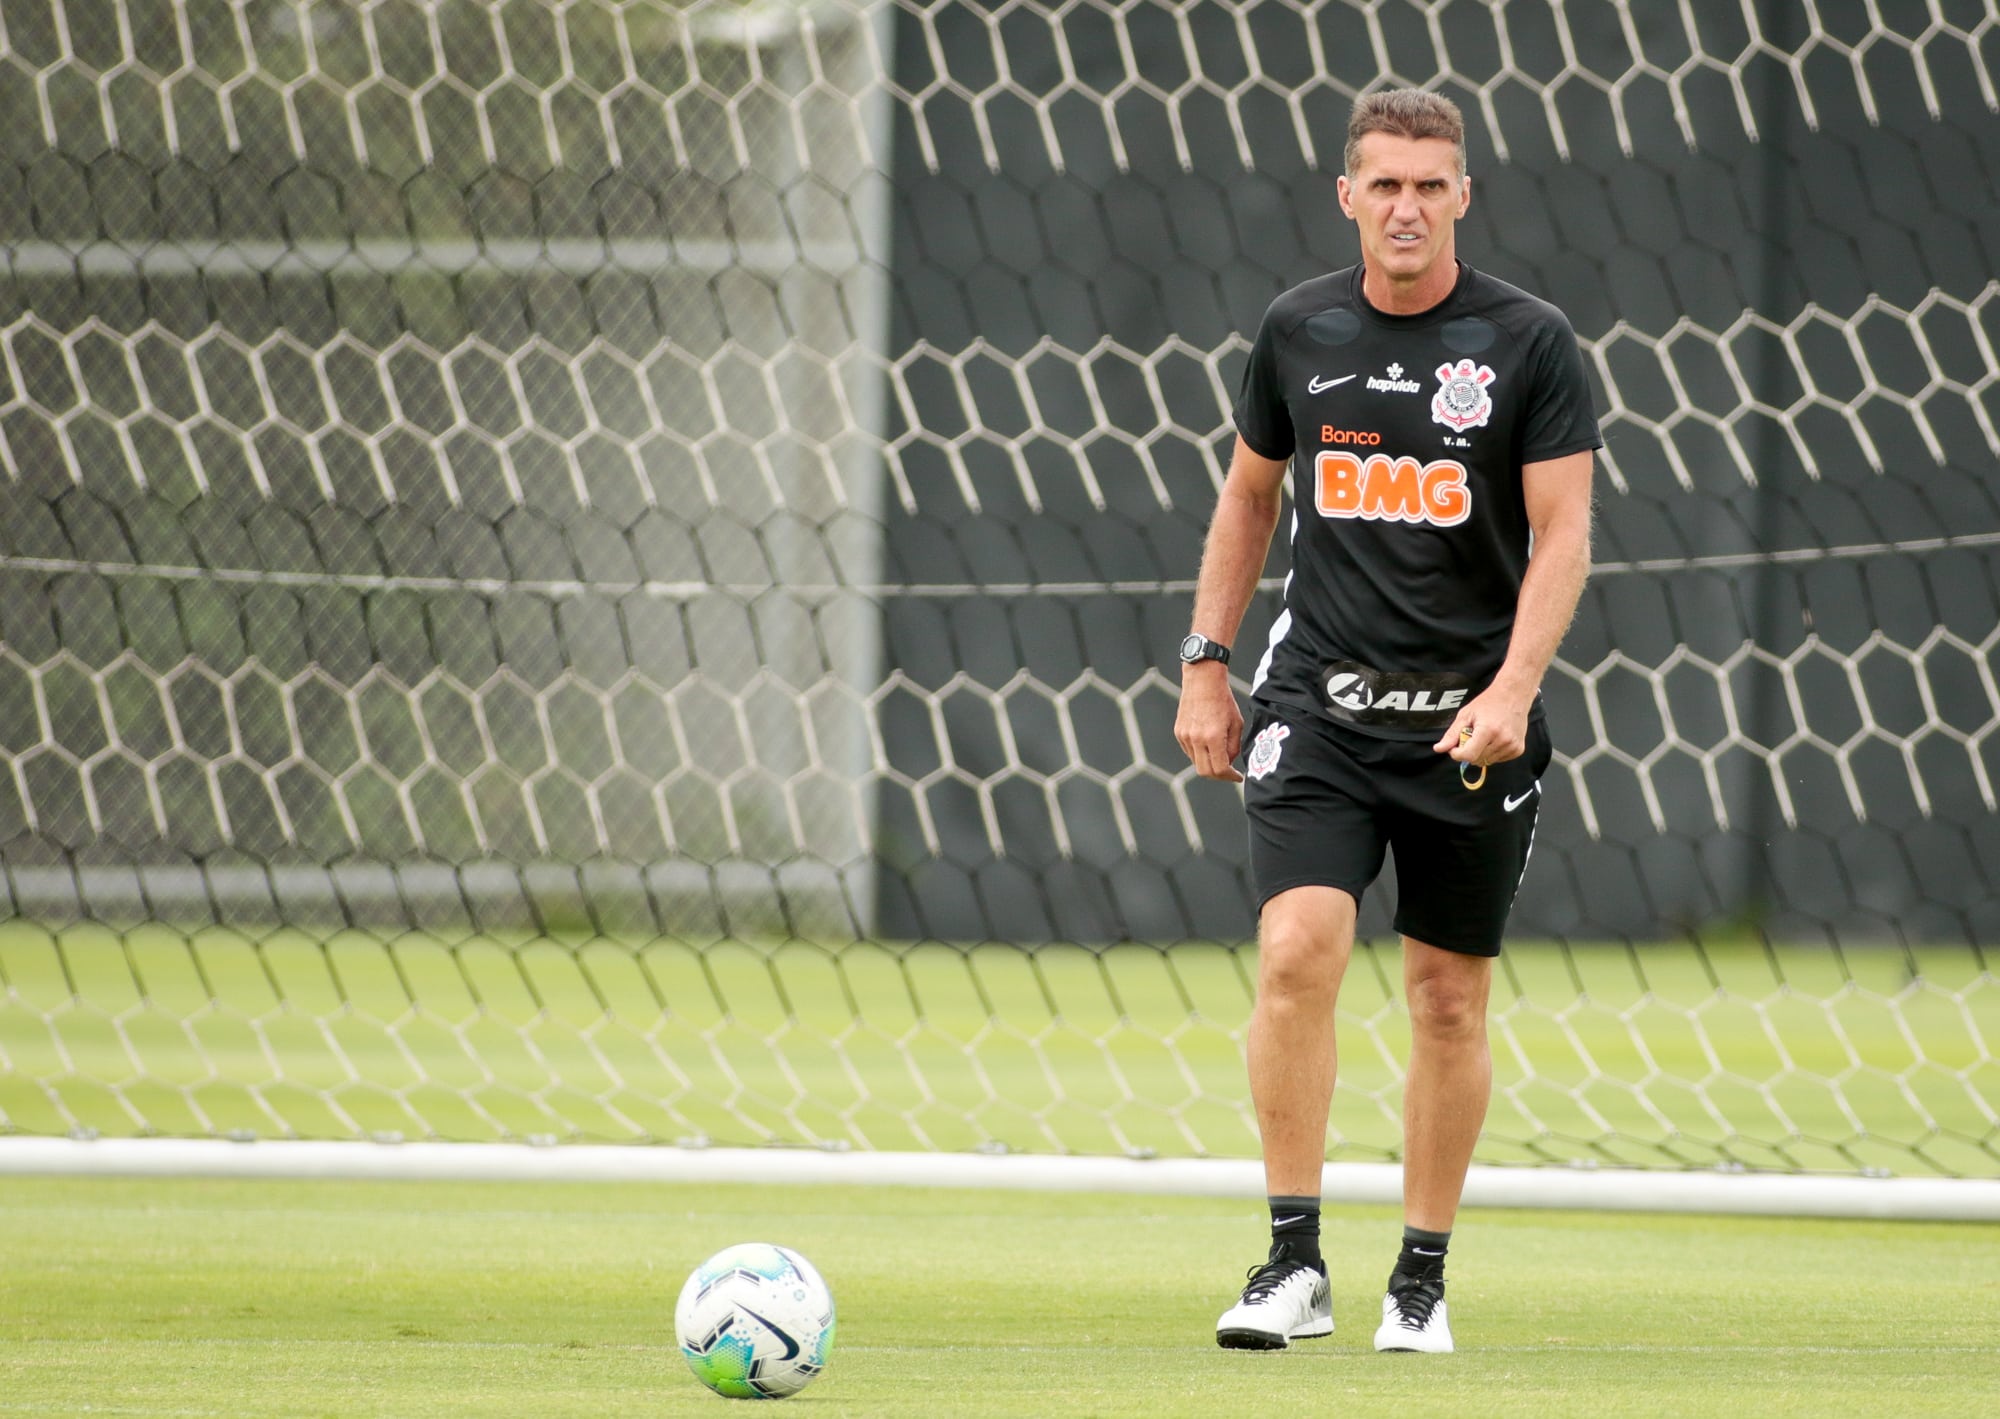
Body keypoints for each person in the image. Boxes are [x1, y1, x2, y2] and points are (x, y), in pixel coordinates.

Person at [1173, 87, 1598, 1355]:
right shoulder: (1295, 329)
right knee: (1297, 948)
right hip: (1318, 708)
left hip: (1472, 724)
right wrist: (1207, 664)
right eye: (1383, 184)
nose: (1405, 205)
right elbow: (1249, 499)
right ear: (1345, 196)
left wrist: (1512, 690)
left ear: (1462, 195)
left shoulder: (1527, 343)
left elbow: (1564, 532)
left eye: (1429, 183)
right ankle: (1291, 1264)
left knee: (1444, 1001)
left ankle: (1419, 1278)